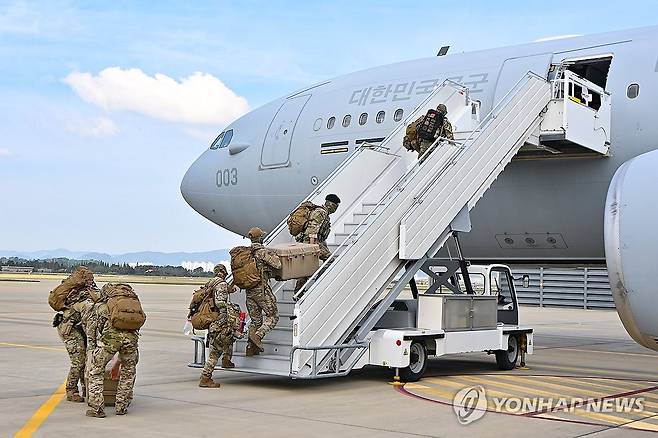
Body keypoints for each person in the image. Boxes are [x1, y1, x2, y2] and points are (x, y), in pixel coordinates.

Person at [86, 284, 141, 418]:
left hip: (111, 340)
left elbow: (96, 327)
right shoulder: (131, 306)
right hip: (131, 339)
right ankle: (121, 406)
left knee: (95, 370)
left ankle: (97, 408)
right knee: (128, 373)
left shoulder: (102, 307)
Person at [52, 267, 97, 403]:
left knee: (86, 359)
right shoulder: (84, 299)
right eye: (90, 280)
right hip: (69, 329)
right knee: (79, 361)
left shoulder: (90, 294)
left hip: (78, 328)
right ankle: (71, 390)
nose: (92, 282)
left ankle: (86, 390)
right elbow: (89, 326)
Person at [199, 264, 241, 388]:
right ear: (223, 272)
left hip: (213, 320)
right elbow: (220, 302)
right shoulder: (221, 284)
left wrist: (231, 287)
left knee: (229, 338)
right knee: (215, 352)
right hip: (220, 322)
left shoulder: (212, 283)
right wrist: (232, 309)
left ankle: (226, 360)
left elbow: (221, 292)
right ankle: (205, 378)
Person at [244, 227, 282, 356]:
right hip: (261, 290)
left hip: (249, 292)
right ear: (260, 238)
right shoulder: (261, 252)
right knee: (273, 316)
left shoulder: (246, 253)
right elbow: (278, 264)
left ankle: (251, 348)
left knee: (255, 321)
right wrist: (274, 255)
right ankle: (258, 336)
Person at [293, 194, 341, 295]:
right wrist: (312, 248)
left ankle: (298, 292)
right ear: (331, 205)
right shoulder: (321, 212)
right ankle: (316, 285)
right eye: (336, 206)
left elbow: (320, 235)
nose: (336, 209)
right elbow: (312, 229)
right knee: (330, 260)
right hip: (309, 242)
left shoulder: (324, 213)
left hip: (314, 242)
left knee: (307, 268)